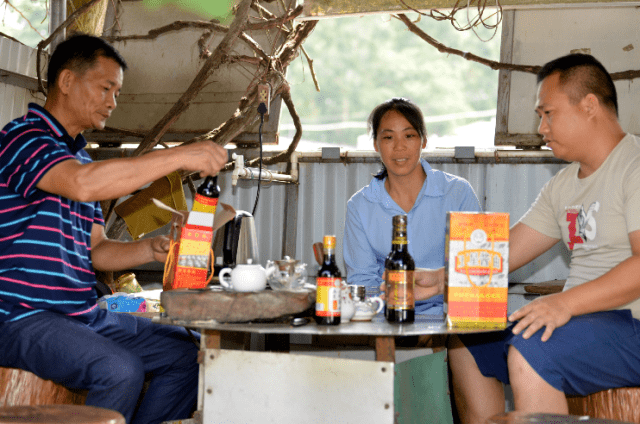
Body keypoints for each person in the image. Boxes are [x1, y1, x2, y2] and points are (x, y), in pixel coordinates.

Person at [0, 34, 228, 424]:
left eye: (118, 92)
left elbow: (97, 250)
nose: (113, 101)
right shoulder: (23, 139)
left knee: (189, 355)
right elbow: (81, 183)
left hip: (79, 313)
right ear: (67, 81)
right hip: (21, 316)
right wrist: (180, 154)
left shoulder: (79, 156)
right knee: (118, 369)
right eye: (106, 88)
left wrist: (150, 248)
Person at [411, 53, 640, 424]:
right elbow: (504, 254)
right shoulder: (562, 186)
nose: (541, 128)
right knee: (468, 337)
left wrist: (564, 304)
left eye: (548, 113)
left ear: (589, 105)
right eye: (540, 116)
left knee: (533, 347)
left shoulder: (634, 165)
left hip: (631, 324)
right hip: (584, 325)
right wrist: (437, 281)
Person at [343, 98, 481, 315]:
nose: (399, 147)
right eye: (388, 137)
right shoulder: (360, 206)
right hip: (389, 316)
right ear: (376, 144)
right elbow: (363, 281)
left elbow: (477, 269)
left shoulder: (457, 193)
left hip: (451, 317)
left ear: (423, 141)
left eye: (409, 136)